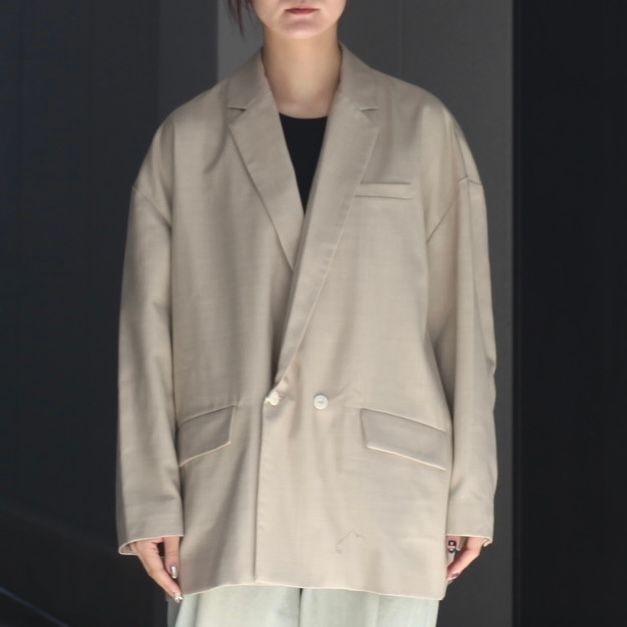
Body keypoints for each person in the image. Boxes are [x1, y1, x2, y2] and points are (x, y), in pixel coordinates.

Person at [115, 1, 498, 626]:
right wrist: (150, 499)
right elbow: (147, 339)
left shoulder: (423, 128)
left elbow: (465, 325)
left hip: (384, 488)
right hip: (233, 493)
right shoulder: (188, 139)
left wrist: (471, 493)